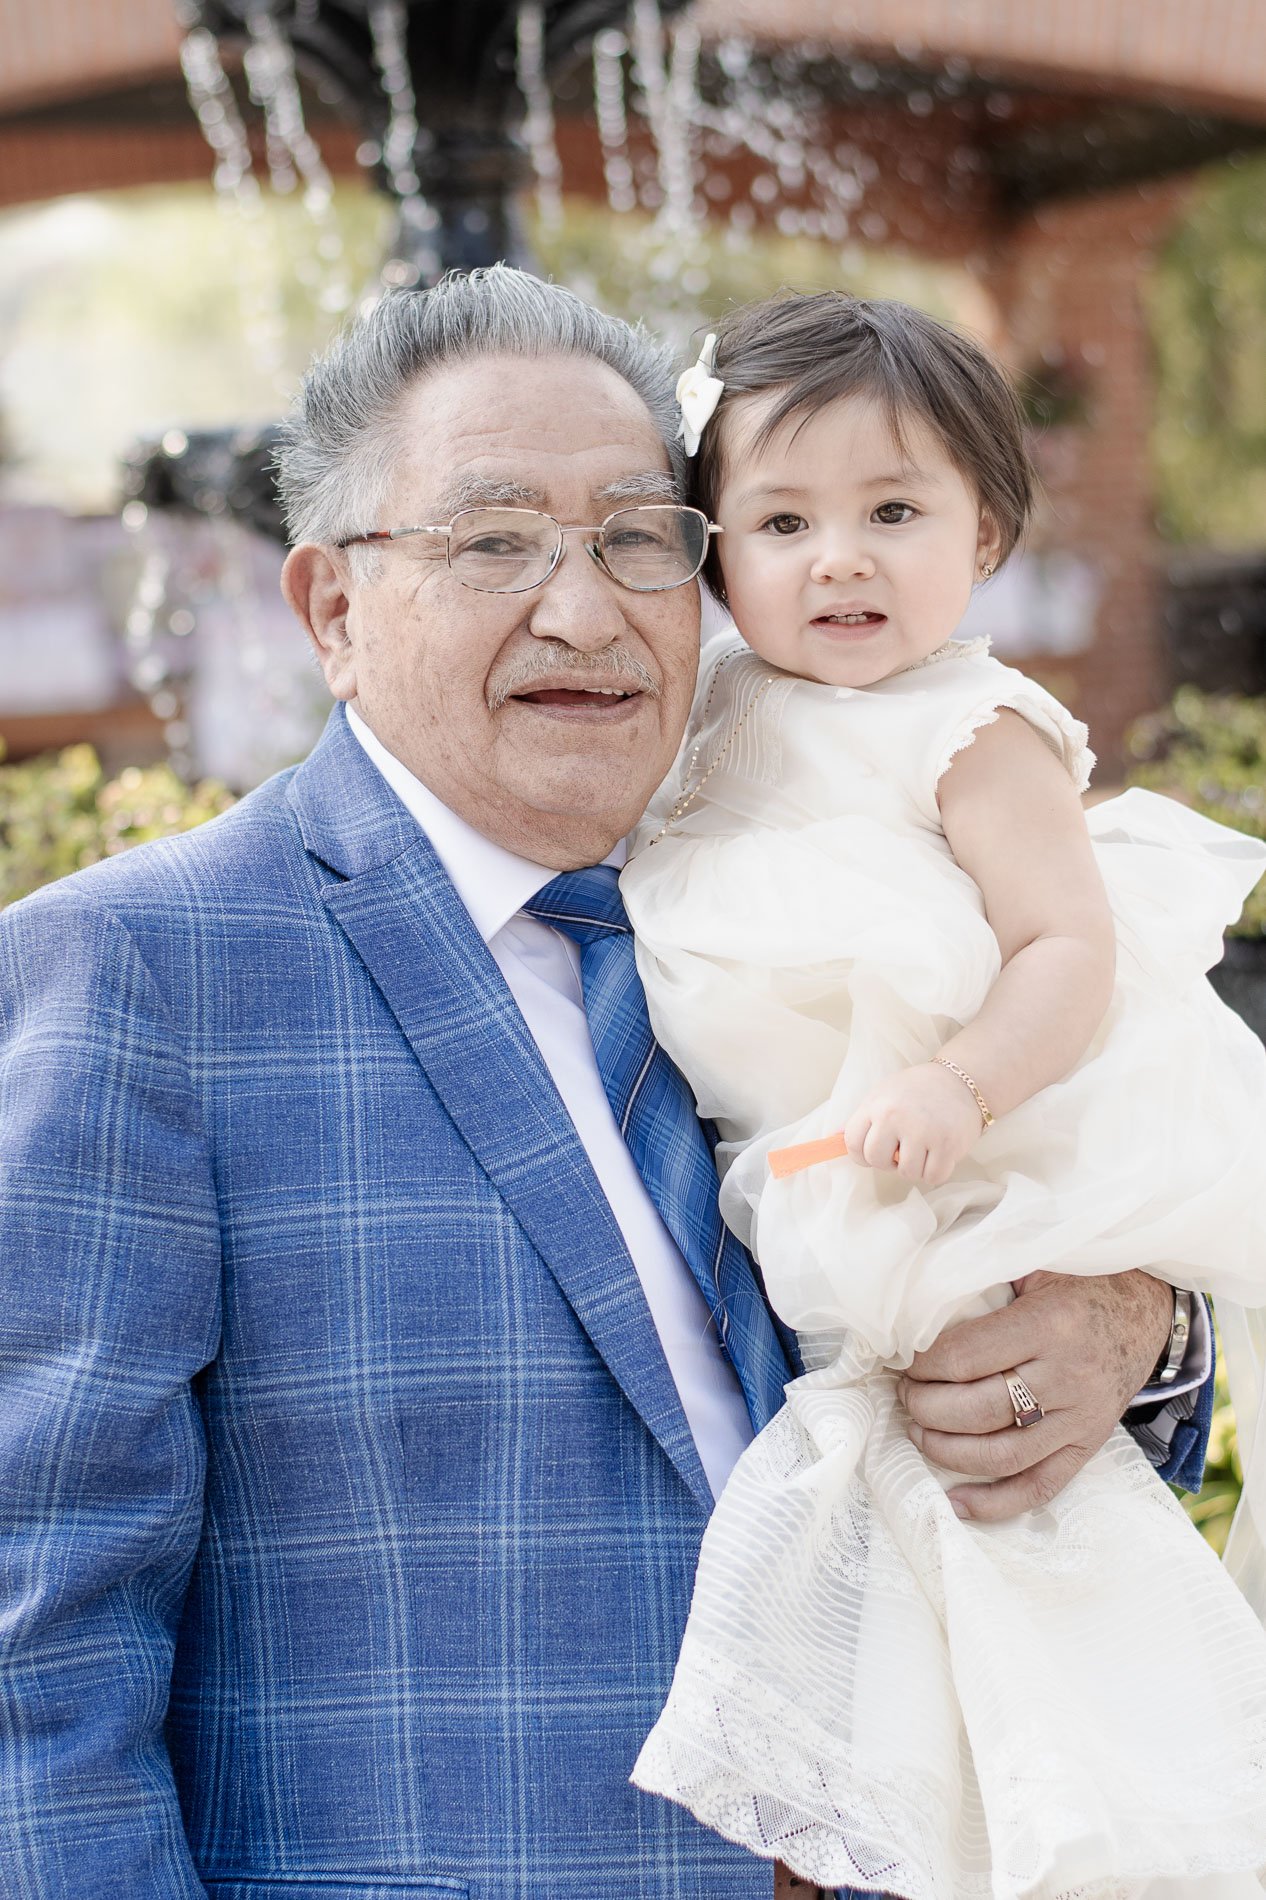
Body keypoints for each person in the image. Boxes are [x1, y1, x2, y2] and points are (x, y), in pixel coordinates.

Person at [0, 269, 1213, 1900]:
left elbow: (1052, 1204)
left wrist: (1130, 1326)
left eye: (641, 539)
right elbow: (37, 1647)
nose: (583, 612)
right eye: (493, 543)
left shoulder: (793, 899)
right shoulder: (144, 975)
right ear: (334, 609)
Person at [621, 291, 1266, 1897]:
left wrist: (961, 1083)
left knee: (993, 1495)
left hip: (958, 1150)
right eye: (783, 522)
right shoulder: (713, 706)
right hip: (812, 1151)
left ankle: (1085, 1814)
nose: (837, 559)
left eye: (892, 513)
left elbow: (1064, 944)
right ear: (711, 550)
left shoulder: (972, 733)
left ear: (982, 531)